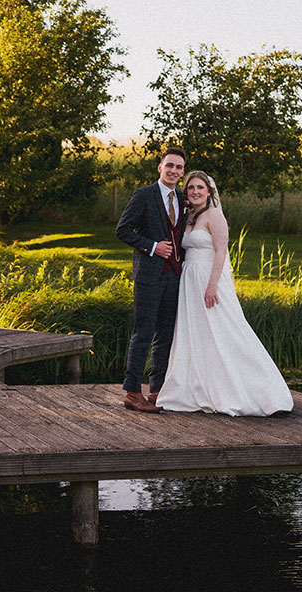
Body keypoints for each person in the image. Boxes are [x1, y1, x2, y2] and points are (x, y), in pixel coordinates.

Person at [157, 171, 293, 417]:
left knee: (225, 329)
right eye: (190, 188)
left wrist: (211, 286)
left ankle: (259, 389)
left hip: (209, 280)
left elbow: (221, 252)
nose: (195, 192)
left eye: (200, 187)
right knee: (196, 333)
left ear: (209, 191)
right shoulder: (187, 217)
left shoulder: (214, 216)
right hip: (189, 281)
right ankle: (196, 387)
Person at [115, 148, 186, 413]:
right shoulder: (143, 195)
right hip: (148, 275)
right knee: (143, 333)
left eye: (179, 167)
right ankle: (132, 391)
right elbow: (122, 230)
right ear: (160, 167)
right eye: (170, 165)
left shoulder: (182, 197)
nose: (174, 171)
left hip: (173, 278)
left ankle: (157, 390)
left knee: (165, 335)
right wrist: (153, 246)